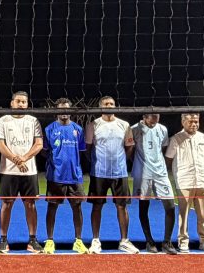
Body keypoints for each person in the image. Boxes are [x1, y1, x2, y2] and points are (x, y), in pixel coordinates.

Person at [85, 96, 138, 254]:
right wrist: (96, 162)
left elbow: (129, 147)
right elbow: (87, 148)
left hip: (119, 173)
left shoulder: (124, 125)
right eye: (106, 104)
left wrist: (120, 161)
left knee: (122, 206)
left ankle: (124, 240)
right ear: (100, 107)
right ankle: (96, 240)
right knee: (97, 206)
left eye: (112, 104)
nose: (109, 106)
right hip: (99, 173)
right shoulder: (93, 125)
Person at [0, 91, 43, 254]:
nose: (21, 104)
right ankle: (3, 239)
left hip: (29, 171)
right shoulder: (2, 121)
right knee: (7, 204)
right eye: (18, 101)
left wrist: (24, 158)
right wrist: (17, 161)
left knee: (30, 204)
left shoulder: (33, 120)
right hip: (8, 170)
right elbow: (1, 146)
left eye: (24, 102)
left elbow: (39, 144)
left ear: (27, 104)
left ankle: (33, 240)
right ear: (12, 103)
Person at [165, 113, 204, 253]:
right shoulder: (176, 139)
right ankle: (183, 241)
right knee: (183, 214)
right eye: (190, 122)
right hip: (185, 180)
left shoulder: (203, 138)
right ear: (183, 122)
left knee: (203, 215)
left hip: (202, 180)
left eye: (196, 121)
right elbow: (169, 159)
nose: (194, 124)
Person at [41, 98, 88, 254]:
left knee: (77, 207)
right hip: (55, 176)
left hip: (75, 175)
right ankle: (50, 241)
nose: (64, 112)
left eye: (67, 109)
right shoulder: (49, 129)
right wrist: (55, 162)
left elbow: (81, 151)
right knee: (52, 207)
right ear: (56, 111)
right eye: (61, 109)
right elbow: (44, 151)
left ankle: (78, 241)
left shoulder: (78, 129)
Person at [130, 113, 178, 254]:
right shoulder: (134, 129)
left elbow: (162, 148)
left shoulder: (162, 129)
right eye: (152, 117)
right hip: (142, 173)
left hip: (160, 173)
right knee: (144, 206)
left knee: (170, 206)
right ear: (145, 116)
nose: (155, 120)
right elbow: (130, 150)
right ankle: (149, 241)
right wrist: (138, 164)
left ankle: (167, 242)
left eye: (157, 116)